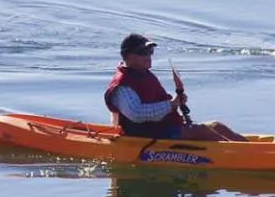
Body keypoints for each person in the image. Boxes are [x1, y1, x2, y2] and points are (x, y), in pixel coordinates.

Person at [103, 33, 246, 142]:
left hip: (161, 127)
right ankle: (241, 155)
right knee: (201, 131)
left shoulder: (143, 75)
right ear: (128, 56)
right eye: (143, 52)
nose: (148, 56)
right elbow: (137, 114)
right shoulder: (122, 85)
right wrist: (172, 105)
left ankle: (250, 148)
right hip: (145, 134)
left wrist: (176, 102)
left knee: (216, 125)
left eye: (150, 52)